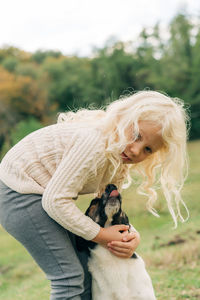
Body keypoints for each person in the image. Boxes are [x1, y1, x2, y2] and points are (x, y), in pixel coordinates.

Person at [0, 90, 189, 300]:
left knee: (85, 271)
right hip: (18, 194)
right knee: (68, 279)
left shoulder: (118, 156)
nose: (136, 151)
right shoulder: (95, 143)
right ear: (122, 118)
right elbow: (54, 202)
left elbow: (106, 205)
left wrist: (131, 236)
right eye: (136, 135)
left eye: (147, 149)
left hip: (43, 197)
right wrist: (101, 236)